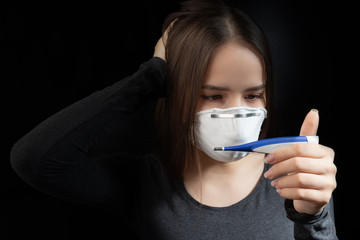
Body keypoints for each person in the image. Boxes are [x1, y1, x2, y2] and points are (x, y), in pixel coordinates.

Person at [10, 0, 337, 239]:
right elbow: (35, 160)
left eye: (252, 95)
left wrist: (312, 215)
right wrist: (151, 76)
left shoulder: (298, 174)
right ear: (179, 95)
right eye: (212, 96)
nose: (237, 113)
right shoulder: (143, 182)